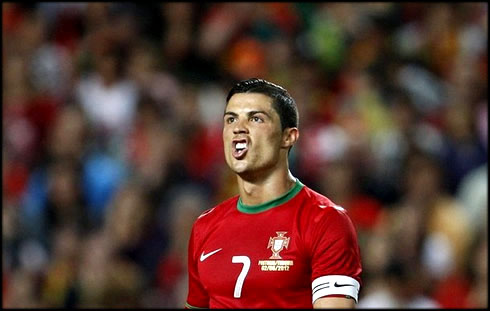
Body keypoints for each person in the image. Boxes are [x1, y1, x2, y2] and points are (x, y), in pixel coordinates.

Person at [185, 78, 362, 308]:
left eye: (256, 118)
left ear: (288, 137)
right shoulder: (204, 227)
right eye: (231, 119)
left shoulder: (325, 221)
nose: (238, 127)